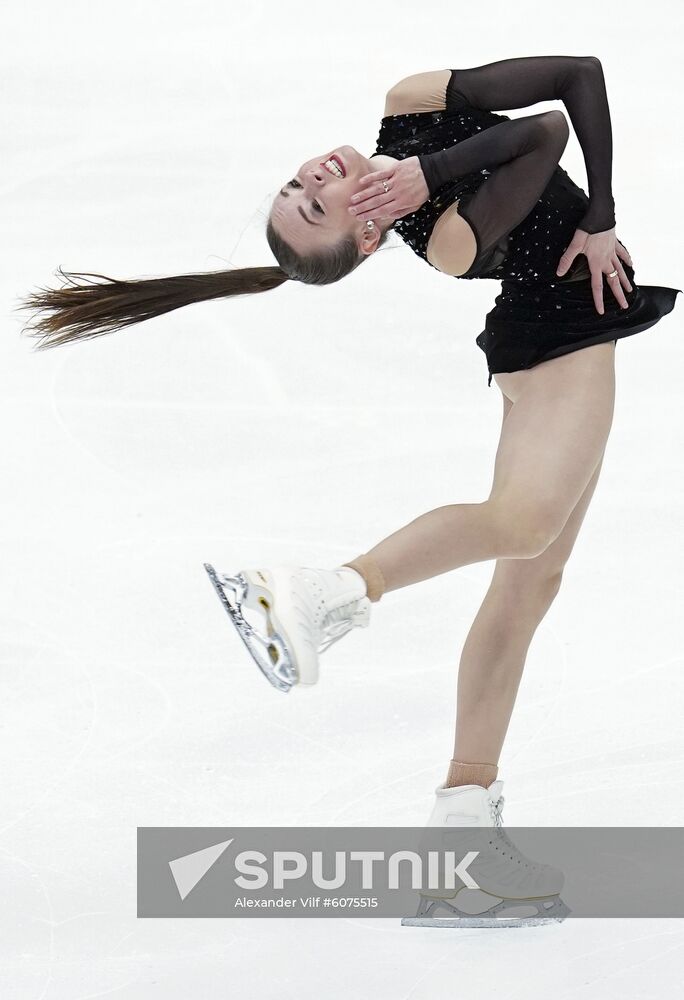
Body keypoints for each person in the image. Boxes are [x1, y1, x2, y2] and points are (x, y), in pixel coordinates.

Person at [16, 55, 680, 926]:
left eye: (298, 182)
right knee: (523, 527)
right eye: (319, 203)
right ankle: (319, 594)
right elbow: (544, 134)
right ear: (368, 240)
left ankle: (461, 834)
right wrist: (430, 180)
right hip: (561, 347)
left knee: (528, 586)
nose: (317, 175)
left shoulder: (409, 106)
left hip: (555, 335)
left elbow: (578, 77)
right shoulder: (443, 240)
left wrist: (598, 216)